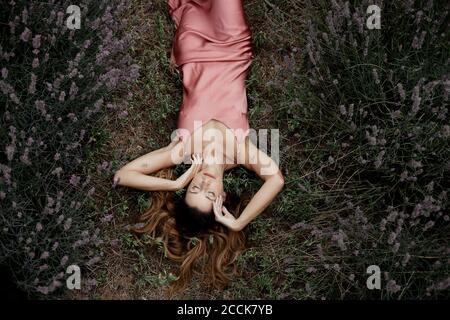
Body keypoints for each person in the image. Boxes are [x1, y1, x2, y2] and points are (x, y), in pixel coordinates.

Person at [113, 0, 284, 297]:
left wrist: (174, 181)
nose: (204, 183)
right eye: (210, 194)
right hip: (232, 48)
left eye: (195, 190)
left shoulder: (182, 151)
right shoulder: (239, 154)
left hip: (192, 48)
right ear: (222, 197)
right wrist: (239, 222)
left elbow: (122, 175)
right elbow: (276, 179)